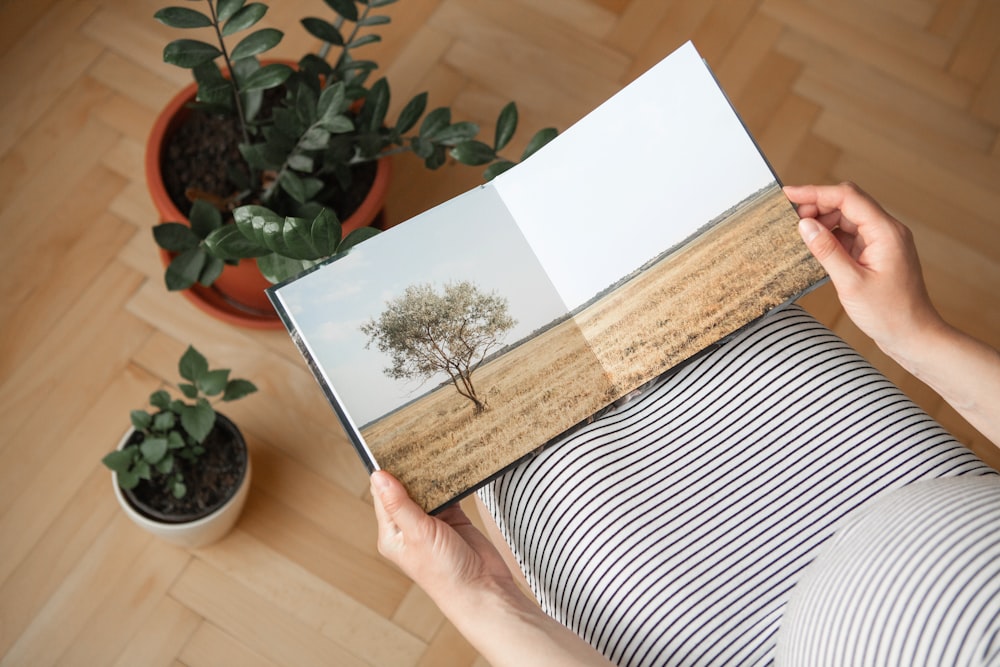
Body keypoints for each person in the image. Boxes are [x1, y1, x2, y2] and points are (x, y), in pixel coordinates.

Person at [370, 182, 1000, 666]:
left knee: (518, 471)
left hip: (718, 633)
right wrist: (917, 333)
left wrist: (477, 597)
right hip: (906, 478)